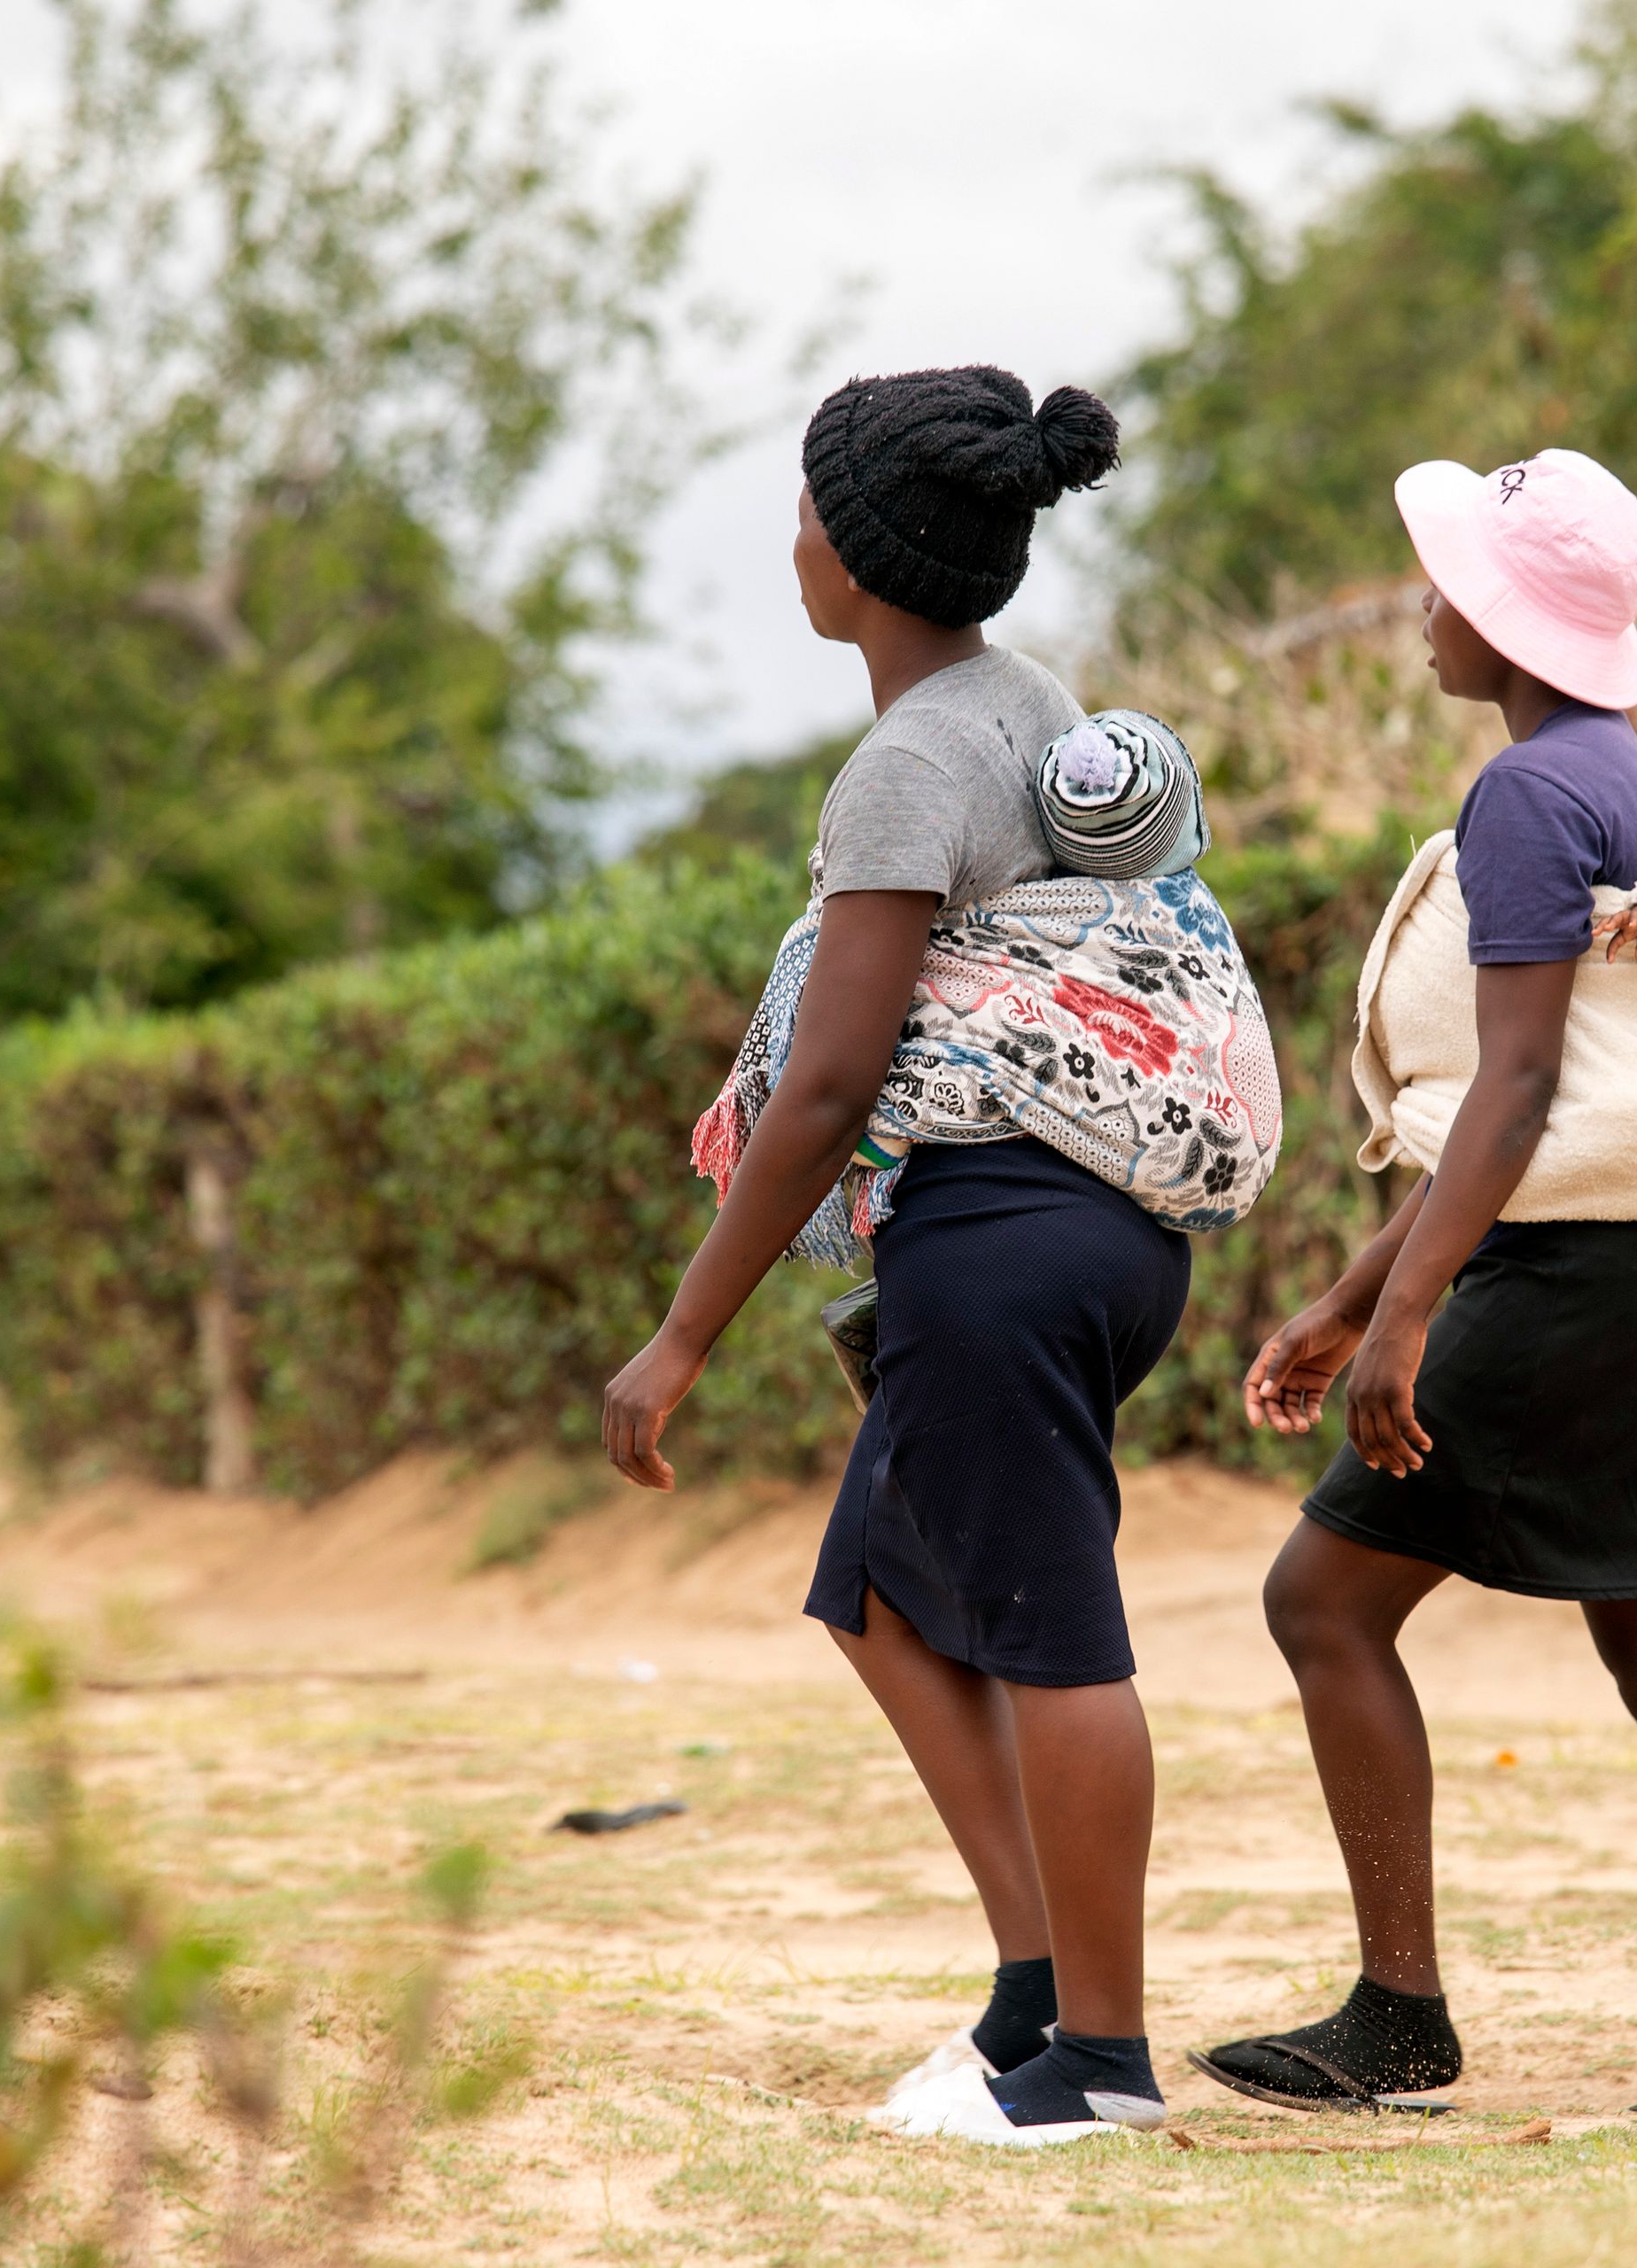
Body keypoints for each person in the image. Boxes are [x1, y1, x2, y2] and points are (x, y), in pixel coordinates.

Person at [605, 366, 1221, 2148]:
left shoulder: (910, 762)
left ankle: (1100, 2063)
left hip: (1001, 1235)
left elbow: (825, 1089)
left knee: (1051, 1633)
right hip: (1096, 1226)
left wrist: (680, 1335)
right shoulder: (1030, 704)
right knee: (879, 1586)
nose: (791, 539)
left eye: (806, 508)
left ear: (860, 557)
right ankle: (1034, 1994)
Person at [1201, 447, 1637, 2116]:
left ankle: (1401, 2012)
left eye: (1443, 582)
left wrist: (1397, 1321)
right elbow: (1580, 1102)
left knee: (1320, 1604)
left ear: (1502, 617)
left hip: (1562, 1289)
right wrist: (1346, 1303)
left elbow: (1521, 1089)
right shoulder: (1618, 772)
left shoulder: (1528, 797)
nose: (1421, 607)